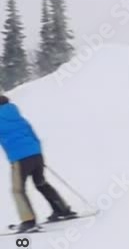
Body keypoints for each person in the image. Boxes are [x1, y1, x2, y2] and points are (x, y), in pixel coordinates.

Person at [0, 95, 75, 233]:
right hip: (36, 154)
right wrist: (36, 152)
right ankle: (62, 210)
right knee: (40, 183)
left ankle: (28, 221)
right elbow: (32, 133)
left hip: (20, 158)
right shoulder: (17, 116)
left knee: (18, 190)